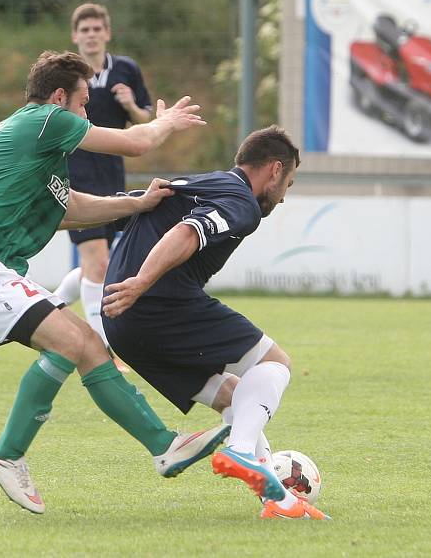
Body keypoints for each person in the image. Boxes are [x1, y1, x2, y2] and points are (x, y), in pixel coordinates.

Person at [0, 50, 229, 515]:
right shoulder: (46, 119)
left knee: (85, 346)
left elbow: (67, 209)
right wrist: (164, 123)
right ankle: (6, 453)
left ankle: (164, 447)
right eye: (85, 103)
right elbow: (135, 144)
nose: (87, 113)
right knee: (74, 343)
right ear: (60, 96)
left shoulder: (38, 143)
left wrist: (135, 204)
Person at [101, 125, 331, 521]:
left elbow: (123, 215)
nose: (283, 195)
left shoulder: (197, 183)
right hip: (157, 303)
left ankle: (276, 501)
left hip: (122, 326)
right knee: (274, 363)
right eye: (288, 184)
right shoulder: (241, 199)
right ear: (273, 170)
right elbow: (187, 232)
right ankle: (242, 451)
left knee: (234, 397)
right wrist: (141, 282)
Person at [53, 3, 152, 371]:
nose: (91, 34)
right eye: (85, 29)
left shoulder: (125, 70)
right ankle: (107, 350)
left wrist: (131, 105)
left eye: (97, 29)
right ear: (75, 36)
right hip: (73, 176)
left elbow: (145, 119)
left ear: (107, 33)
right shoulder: (63, 75)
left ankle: (48, 304)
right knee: (99, 261)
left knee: (101, 265)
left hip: (112, 179)